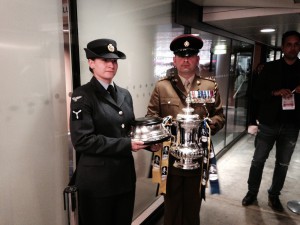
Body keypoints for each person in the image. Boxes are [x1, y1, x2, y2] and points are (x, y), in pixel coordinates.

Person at [69, 38, 156, 225]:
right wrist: (127, 144)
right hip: (97, 183)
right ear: (91, 63)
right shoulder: (82, 96)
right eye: (104, 60)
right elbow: (82, 140)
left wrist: (150, 143)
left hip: (124, 178)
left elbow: (130, 129)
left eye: (114, 61)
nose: (111, 64)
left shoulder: (124, 94)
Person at [146, 34, 225, 225]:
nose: (186, 59)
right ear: (175, 60)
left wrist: (207, 125)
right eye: (181, 56)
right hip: (170, 158)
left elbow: (219, 116)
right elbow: (151, 118)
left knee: (192, 206)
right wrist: (156, 138)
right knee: (171, 207)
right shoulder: (162, 87)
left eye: (191, 55)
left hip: (197, 158)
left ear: (198, 59)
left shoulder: (209, 86)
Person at [242, 30, 300, 212]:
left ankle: (274, 195)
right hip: (268, 123)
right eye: (289, 44)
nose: (293, 48)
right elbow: (256, 93)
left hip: (292, 125)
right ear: (283, 47)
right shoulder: (270, 67)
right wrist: (275, 92)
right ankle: (252, 192)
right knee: (258, 160)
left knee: (282, 164)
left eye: (296, 44)